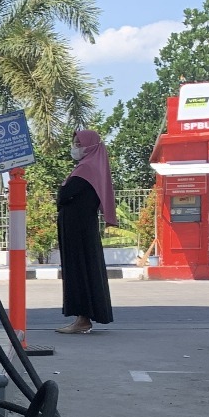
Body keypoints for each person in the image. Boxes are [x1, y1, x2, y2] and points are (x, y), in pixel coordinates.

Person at [55, 129, 115, 335]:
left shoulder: (86, 168)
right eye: (75, 143)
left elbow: (65, 194)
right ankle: (83, 318)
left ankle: (82, 319)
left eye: (79, 144)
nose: (75, 148)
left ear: (91, 146)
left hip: (77, 229)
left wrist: (62, 195)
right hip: (81, 227)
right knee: (83, 269)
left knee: (78, 270)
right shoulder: (90, 167)